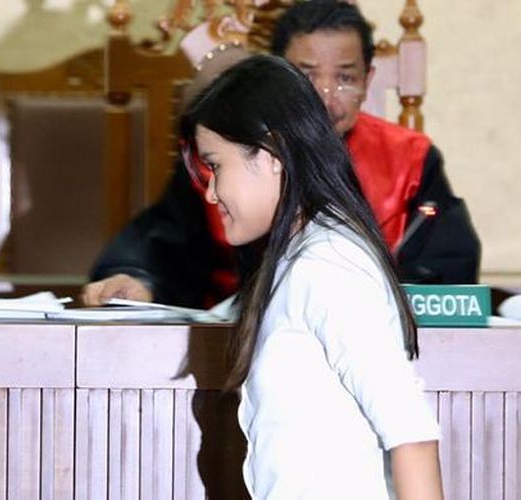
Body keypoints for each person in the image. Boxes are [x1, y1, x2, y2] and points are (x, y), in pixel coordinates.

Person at [82, 0, 480, 308]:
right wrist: (139, 280)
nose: (325, 97)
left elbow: (443, 273)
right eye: (306, 76)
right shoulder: (225, 154)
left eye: (345, 77)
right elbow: (164, 246)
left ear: (367, 80)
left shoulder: (410, 158)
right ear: (275, 77)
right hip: (235, 351)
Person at [184, 53, 443, 499]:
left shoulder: (329, 265)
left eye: (216, 166)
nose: (211, 193)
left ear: (271, 154)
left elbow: (411, 435)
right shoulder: (301, 258)